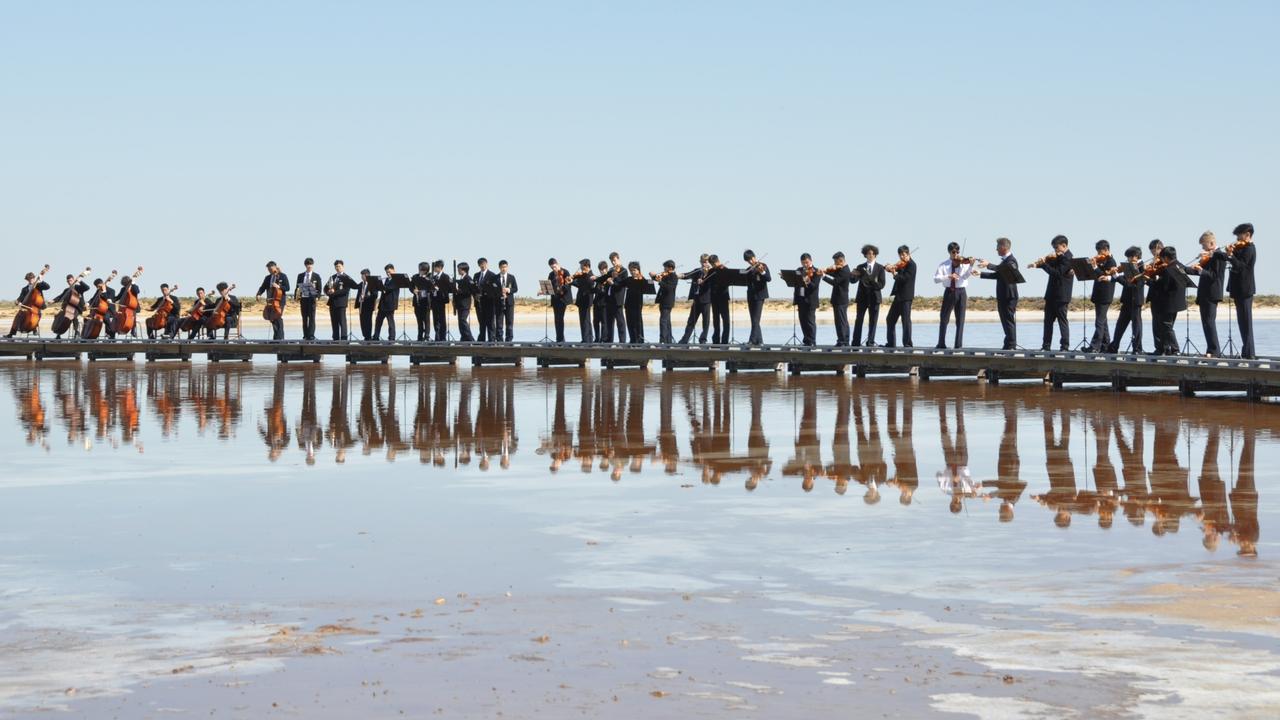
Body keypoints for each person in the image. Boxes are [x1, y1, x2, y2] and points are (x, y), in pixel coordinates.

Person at [1029, 235, 1073, 351]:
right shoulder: (1059, 256)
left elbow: (1057, 273)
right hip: (1051, 295)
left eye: (1056, 248)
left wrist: (1043, 264)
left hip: (1062, 296)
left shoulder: (1068, 258)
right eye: (1054, 248)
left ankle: (1064, 347)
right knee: (1047, 322)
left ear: (1064, 246)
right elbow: (1050, 265)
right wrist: (1038, 264)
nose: (1055, 251)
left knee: (1062, 322)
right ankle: (1046, 346)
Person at [1188, 231, 1228, 356]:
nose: (1203, 248)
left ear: (1211, 243)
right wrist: (1183, 269)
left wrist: (1202, 270)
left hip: (1212, 293)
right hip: (1204, 293)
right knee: (1205, 322)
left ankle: (1214, 351)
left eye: (1204, 245)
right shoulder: (1209, 256)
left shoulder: (1219, 255)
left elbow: (1215, 276)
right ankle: (1210, 350)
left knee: (1210, 321)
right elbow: (1198, 271)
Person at [977, 237, 1019, 350]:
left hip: (1009, 296)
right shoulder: (1004, 261)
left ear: (1003, 247)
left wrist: (988, 264)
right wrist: (980, 274)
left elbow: (1002, 269)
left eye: (997, 247)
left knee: (1009, 320)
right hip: (1003, 296)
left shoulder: (1011, 260)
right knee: (1005, 320)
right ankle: (1008, 344)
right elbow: (998, 274)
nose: (996, 249)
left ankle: (1011, 345)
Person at [934, 242, 974, 348]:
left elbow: (965, 277)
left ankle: (958, 345)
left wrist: (970, 266)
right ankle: (941, 343)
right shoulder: (944, 264)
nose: (956, 254)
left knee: (960, 319)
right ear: (949, 252)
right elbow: (936, 279)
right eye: (953, 252)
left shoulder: (963, 263)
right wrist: (948, 276)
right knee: (944, 318)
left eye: (957, 252)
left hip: (961, 291)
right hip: (949, 291)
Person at [1150, 246, 1189, 355]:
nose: (1161, 260)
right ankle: (1168, 349)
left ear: (1166, 257)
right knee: (1167, 326)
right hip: (1177, 302)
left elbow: (1165, 287)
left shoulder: (1169, 269)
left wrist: (1153, 281)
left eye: (1162, 258)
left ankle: (1175, 349)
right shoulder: (1179, 265)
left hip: (1169, 302)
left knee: (1166, 326)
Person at [1107, 247, 1146, 354]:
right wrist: (1111, 277)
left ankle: (1137, 348)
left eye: (1130, 257)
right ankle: (1114, 346)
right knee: (1120, 324)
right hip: (1127, 300)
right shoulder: (1129, 267)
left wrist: (1116, 276)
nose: (1129, 259)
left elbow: (1130, 284)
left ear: (1136, 256)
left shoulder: (1142, 267)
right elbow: (1124, 278)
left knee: (1136, 325)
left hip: (1136, 300)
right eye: (1128, 257)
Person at [1226, 222, 1256, 359]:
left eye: (1239, 237)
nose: (1237, 241)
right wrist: (1228, 254)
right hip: (1238, 289)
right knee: (1242, 323)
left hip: (1245, 289)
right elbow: (1233, 261)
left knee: (1246, 323)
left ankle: (1250, 354)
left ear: (1247, 235)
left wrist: (1231, 256)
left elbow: (1241, 267)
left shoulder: (1250, 249)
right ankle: (1246, 352)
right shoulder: (1240, 248)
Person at [852, 245, 885, 347]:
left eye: (872, 254)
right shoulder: (860, 267)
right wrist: (852, 275)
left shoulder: (880, 268)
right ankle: (856, 343)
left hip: (875, 298)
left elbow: (881, 284)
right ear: (865, 255)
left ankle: (870, 342)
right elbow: (853, 281)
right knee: (859, 320)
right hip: (862, 298)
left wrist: (872, 281)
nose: (870, 255)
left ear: (875, 255)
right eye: (868, 253)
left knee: (873, 321)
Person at [1087, 240, 1118, 352]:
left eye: (1100, 252)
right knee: (1103, 321)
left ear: (1106, 250)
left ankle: (1095, 346)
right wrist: (1092, 266)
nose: (1099, 254)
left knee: (1099, 321)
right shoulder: (1101, 261)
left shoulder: (1111, 261)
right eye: (1098, 252)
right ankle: (1106, 345)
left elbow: (1105, 277)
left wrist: (1096, 267)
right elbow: (1094, 274)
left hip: (1105, 294)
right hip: (1098, 294)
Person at [884, 246, 915, 348]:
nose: (902, 257)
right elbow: (894, 268)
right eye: (900, 255)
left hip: (906, 297)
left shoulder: (912, 265)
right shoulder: (900, 264)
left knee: (905, 320)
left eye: (904, 255)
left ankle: (908, 344)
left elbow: (904, 279)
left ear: (908, 254)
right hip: (898, 296)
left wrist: (894, 274)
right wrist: (887, 267)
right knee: (890, 319)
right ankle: (891, 343)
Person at [6, 269, 52, 338]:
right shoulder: (24, 289)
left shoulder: (39, 286)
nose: (30, 280)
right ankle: (11, 333)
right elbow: (21, 297)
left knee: (36, 314)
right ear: (27, 280)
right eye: (29, 279)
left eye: (32, 278)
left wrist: (41, 279)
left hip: (38, 306)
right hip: (27, 307)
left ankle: (34, 329)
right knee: (18, 316)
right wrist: (17, 301)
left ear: (34, 278)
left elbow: (47, 287)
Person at [678, 254, 712, 344]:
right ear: (700, 262)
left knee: (706, 322)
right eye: (703, 262)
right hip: (696, 299)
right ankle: (684, 340)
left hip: (706, 300)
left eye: (706, 262)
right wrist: (678, 275)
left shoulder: (712, 272)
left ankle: (703, 340)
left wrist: (705, 276)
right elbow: (687, 275)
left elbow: (711, 285)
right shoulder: (698, 271)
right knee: (691, 321)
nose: (705, 264)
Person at [821, 252, 852, 346]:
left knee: (841, 322)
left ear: (841, 260)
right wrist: (827, 270)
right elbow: (834, 274)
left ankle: (843, 341)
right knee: (841, 321)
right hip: (839, 299)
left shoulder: (845, 270)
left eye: (836, 261)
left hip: (841, 300)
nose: (835, 264)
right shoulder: (841, 269)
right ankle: (843, 340)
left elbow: (835, 282)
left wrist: (823, 276)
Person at [255, 261, 290, 341]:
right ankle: (276, 338)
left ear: (275, 267)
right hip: (270, 300)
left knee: (278, 317)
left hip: (280, 301)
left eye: (271, 269)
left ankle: (280, 338)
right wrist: (259, 294)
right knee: (272, 319)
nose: (270, 271)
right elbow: (263, 287)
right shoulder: (267, 278)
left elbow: (287, 288)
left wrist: (279, 286)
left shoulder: (282, 276)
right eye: (268, 270)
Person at [793, 253, 823, 346]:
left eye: (806, 262)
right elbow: (795, 282)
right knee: (802, 321)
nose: (805, 265)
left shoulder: (816, 271)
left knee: (810, 321)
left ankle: (812, 341)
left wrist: (807, 280)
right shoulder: (799, 270)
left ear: (811, 261)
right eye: (803, 263)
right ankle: (806, 340)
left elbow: (814, 286)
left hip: (810, 300)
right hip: (800, 299)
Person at [742, 250, 771, 345]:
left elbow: (768, 278)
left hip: (760, 295)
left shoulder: (763, 265)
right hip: (751, 295)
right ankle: (760, 341)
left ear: (754, 256)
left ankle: (752, 340)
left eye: (751, 259)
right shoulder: (749, 269)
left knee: (755, 319)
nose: (750, 261)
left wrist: (762, 272)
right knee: (754, 319)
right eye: (748, 260)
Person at [51, 272, 91, 338]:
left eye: (70, 280)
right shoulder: (66, 290)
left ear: (73, 280)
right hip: (67, 308)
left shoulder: (79, 288)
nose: (69, 282)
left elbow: (87, 288)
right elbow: (60, 296)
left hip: (78, 308)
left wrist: (80, 281)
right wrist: (53, 300)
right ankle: (58, 333)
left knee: (74, 316)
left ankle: (76, 332)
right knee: (58, 316)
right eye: (68, 281)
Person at [325, 260, 356, 341]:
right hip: (332, 302)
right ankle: (335, 337)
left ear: (343, 267)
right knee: (334, 321)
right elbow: (325, 288)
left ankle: (344, 337)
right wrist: (328, 292)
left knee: (342, 320)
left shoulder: (346, 277)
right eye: (336, 266)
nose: (337, 268)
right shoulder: (332, 277)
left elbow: (345, 290)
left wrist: (334, 292)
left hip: (341, 302)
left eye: (339, 266)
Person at [651, 260, 679, 343]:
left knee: (663, 321)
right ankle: (668, 340)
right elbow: (657, 278)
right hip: (663, 301)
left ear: (670, 268)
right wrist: (653, 275)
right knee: (667, 321)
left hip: (668, 301)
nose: (664, 269)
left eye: (665, 267)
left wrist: (660, 281)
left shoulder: (673, 276)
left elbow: (669, 288)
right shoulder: (665, 275)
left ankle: (662, 340)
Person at [546, 258, 573, 343]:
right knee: (556, 319)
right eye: (552, 267)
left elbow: (569, 285)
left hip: (563, 299)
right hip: (555, 299)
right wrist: (545, 290)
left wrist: (562, 289)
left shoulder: (565, 272)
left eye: (554, 267)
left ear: (557, 264)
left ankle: (561, 339)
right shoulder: (551, 275)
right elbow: (549, 286)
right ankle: (559, 338)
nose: (554, 269)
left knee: (560, 318)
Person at [296, 257, 322, 340]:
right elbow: (297, 287)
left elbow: (319, 288)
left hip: (312, 300)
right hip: (303, 299)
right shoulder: (300, 275)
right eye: (308, 265)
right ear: (305, 265)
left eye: (311, 265)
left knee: (311, 318)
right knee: (304, 318)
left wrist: (317, 297)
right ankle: (305, 335)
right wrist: (296, 297)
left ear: (313, 265)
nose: (309, 266)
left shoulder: (316, 276)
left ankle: (311, 335)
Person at [604, 252, 628, 343]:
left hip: (618, 300)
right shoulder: (610, 270)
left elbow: (621, 285)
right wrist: (607, 280)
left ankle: (622, 341)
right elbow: (606, 281)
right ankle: (609, 341)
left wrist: (614, 281)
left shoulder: (624, 271)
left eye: (614, 260)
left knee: (620, 321)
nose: (613, 263)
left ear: (618, 259)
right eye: (612, 261)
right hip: (609, 299)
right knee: (609, 322)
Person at [707, 254, 731, 343]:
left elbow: (730, 281)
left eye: (714, 264)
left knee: (726, 320)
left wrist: (723, 271)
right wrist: (702, 280)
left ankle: (725, 341)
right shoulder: (711, 271)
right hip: (714, 298)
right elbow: (707, 282)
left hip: (723, 297)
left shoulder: (725, 269)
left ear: (717, 261)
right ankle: (716, 340)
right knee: (715, 320)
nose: (713, 266)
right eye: (712, 265)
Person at [473, 258, 497, 341]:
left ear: (487, 264)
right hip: (479, 303)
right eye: (480, 264)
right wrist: (475, 295)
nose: (482, 266)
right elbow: (473, 288)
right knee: (481, 323)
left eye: (483, 264)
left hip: (489, 302)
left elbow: (495, 289)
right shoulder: (476, 275)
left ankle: (492, 340)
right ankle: (481, 340)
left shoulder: (492, 275)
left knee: (490, 323)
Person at [373, 263, 398, 341]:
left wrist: (381, 287)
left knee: (390, 322)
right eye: (387, 272)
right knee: (378, 321)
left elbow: (389, 288)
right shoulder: (387, 279)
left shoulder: (397, 279)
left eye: (389, 272)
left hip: (390, 304)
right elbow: (384, 289)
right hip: (383, 304)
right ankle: (376, 337)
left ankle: (392, 338)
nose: (388, 274)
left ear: (394, 270)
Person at [572, 259, 594, 343]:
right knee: (583, 320)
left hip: (587, 300)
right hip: (581, 300)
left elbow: (588, 285)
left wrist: (583, 276)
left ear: (587, 266)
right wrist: (571, 281)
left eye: (582, 266)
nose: (580, 268)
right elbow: (579, 285)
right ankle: (585, 338)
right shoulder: (582, 275)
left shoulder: (590, 275)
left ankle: (587, 339)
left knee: (586, 320)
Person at [430, 260, 452, 341]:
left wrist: (439, 289)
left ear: (439, 267)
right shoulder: (434, 277)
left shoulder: (445, 277)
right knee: (435, 319)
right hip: (434, 300)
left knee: (442, 319)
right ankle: (437, 336)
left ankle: (443, 337)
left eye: (435, 267)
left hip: (441, 300)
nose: (434, 269)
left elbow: (449, 288)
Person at [495, 260, 517, 341]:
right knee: (499, 322)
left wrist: (509, 290)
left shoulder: (512, 277)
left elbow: (515, 289)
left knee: (509, 322)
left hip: (509, 303)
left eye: (505, 267)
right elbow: (493, 289)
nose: (503, 269)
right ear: (499, 268)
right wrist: (499, 292)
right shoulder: (495, 277)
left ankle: (509, 340)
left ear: (507, 267)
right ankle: (499, 339)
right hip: (499, 303)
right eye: (502, 267)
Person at [353, 269, 378, 341]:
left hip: (369, 305)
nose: (362, 277)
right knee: (362, 321)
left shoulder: (372, 284)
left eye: (363, 275)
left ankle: (368, 336)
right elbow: (356, 288)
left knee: (368, 321)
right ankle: (365, 336)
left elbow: (375, 295)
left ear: (367, 275)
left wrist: (366, 296)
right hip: (361, 305)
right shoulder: (361, 284)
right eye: (361, 275)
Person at [624, 261, 646, 343]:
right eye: (631, 270)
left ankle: (640, 340)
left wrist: (641, 278)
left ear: (638, 270)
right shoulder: (628, 279)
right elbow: (619, 284)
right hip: (628, 304)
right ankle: (632, 339)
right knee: (630, 323)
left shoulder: (642, 279)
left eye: (634, 270)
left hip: (637, 305)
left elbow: (646, 286)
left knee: (638, 323)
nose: (632, 272)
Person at [412, 261, 434, 341]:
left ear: (425, 270)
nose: (420, 270)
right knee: (419, 320)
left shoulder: (430, 276)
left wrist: (425, 278)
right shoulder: (415, 276)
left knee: (426, 320)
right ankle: (420, 336)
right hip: (417, 301)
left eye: (421, 269)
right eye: (419, 269)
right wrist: (413, 290)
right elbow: (411, 286)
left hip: (426, 301)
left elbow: (432, 286)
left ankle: (427, 336)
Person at [453, 262, 475, 341]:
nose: (458, 270)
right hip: (459, 303)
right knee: (460, 321)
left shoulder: (468, 278)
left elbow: (470, 291)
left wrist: (459, 290)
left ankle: (470, 338)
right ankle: (463, 337)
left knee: (463, 320)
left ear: (463, 270)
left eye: (459, 269)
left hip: (465, 303)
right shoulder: (461, 278)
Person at [592, 260, 610, 342]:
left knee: (604, 322)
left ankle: (603, 338)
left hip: (605, 303)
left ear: (606, 269)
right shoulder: (598, 279)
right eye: (600, 270)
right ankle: (597, 338)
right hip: (596, 303)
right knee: (595, 321)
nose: (602, 271)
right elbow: (595, 290)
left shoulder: (608, 279)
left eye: (603, 269)